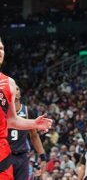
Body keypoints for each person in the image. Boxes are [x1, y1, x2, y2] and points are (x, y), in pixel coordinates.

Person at [0, 37, 53, 180]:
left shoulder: (9, 83)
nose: (0, 51)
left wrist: (34, 123)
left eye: (2, 48)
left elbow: (10, 120)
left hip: (5, 151)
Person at [7, 86, 47, 180]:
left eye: (17, 89)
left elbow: (34, 136)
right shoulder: (3, 112)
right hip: (5, 156)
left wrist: (43, 157)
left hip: (22, 156)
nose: (15, 91)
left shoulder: (28, 112)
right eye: (12, 89)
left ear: (20, 93)